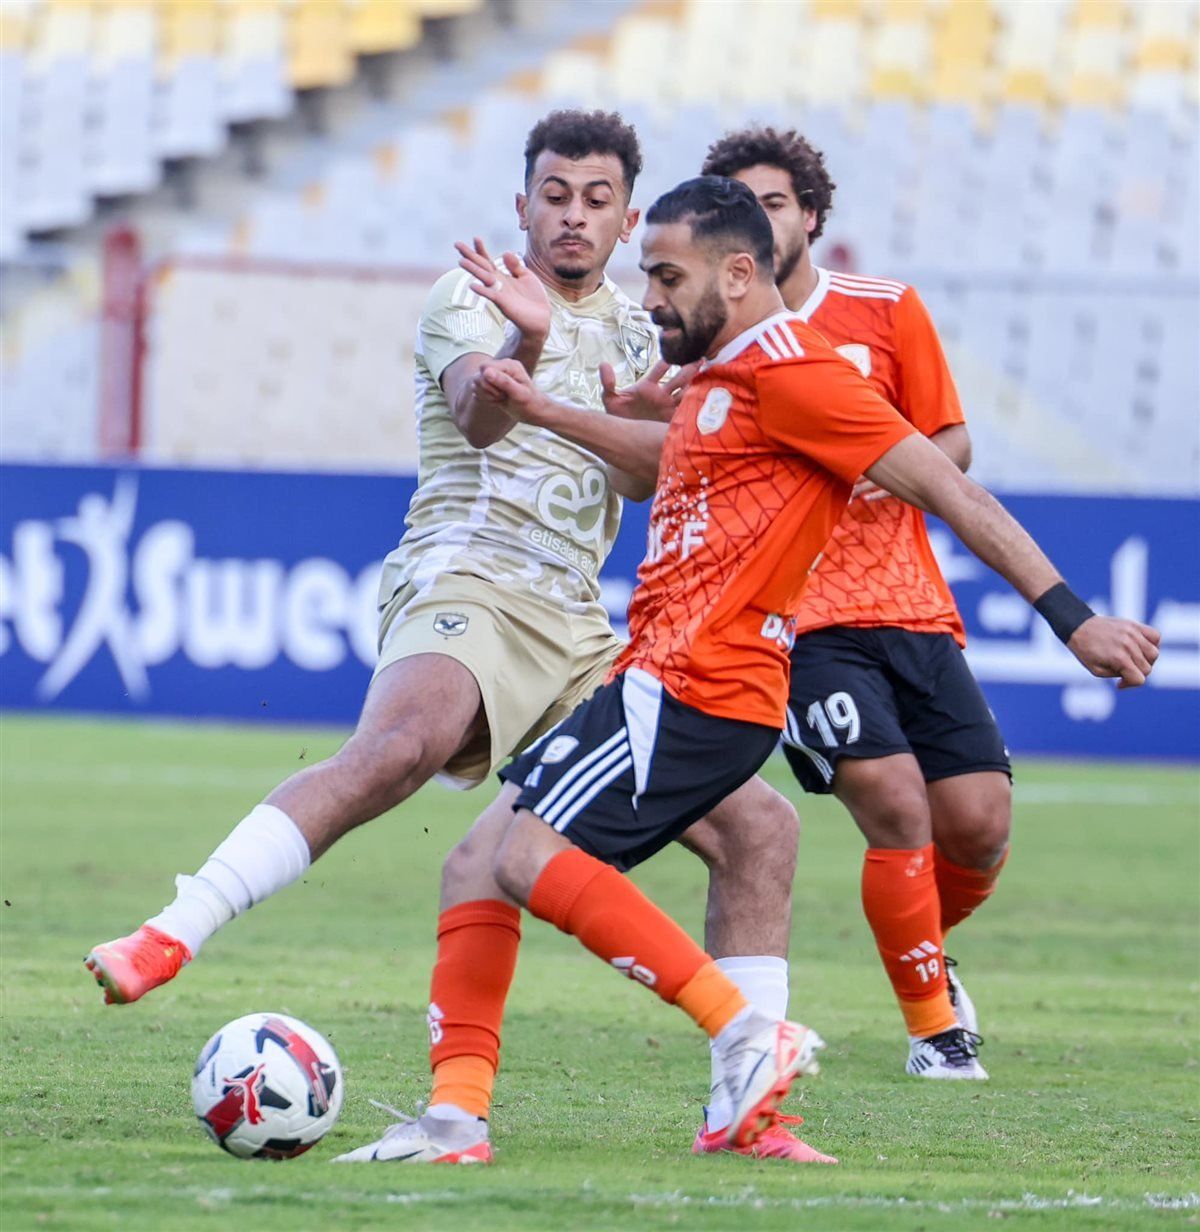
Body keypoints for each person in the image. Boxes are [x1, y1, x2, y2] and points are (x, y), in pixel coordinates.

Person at [335, 175, 1160, 1164]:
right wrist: (552, 407)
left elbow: (949, 487)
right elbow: (662, 455)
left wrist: (1073, 618)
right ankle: (501, 1120)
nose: (649, 298)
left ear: (738, 270)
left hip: (689, 683)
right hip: (687, 681)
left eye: (667, 276)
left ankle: (742, 1033)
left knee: (517, 857)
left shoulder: (800, 376)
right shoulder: (726, 377)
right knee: (487, 859)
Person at [84, 112, 819, 1154]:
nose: (572, 215)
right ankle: (172, 931)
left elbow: (653, 471)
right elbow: (480, 412)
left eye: (596, 199)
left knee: (755, 830)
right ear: (522, 204)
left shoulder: (638, 323)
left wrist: (652, 411)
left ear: (627, 219)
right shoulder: (467, 294)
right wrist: (524, 338)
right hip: (464, 576)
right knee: (402, 745)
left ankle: (715, 1106)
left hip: (577, 621)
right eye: (554, 195)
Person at [699, 127, 1013, 1078]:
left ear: (812, 218)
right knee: (893, 800)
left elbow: (950, 442)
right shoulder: (707, 324)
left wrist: (892, 473)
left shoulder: (884, 311)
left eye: (778, 202)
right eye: (743, 203)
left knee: (980, 825)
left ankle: (919, 951)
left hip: (911, 605)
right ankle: (936, 1034)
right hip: (797, 615)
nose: (761, 218)